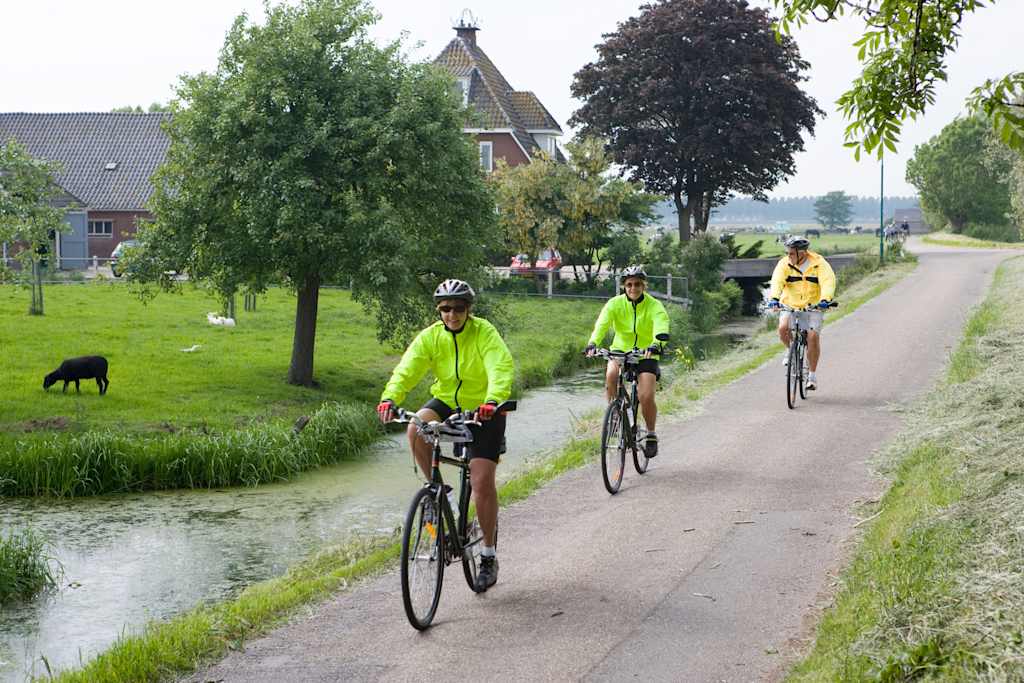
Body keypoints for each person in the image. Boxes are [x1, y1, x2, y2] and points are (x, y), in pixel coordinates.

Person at [376, 279, 514, 592]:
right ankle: (440, 496)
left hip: (484, 408)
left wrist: (492, 400)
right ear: (439, 310)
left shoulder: (484, 333)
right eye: (445, 309)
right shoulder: (431, 337)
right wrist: (390, 398)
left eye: (459, 308)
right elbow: (407, 369)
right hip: (447, 401)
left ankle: (489, 556)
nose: (452, 314)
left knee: (480, 482)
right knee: (415, 428)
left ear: (469, 310)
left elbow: (500, 366)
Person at [585, 265, 670, 458]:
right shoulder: (614, 304)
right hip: (620, 350)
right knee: (611, 374)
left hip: (646, 352)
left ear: (644, 286)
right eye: (629, 284)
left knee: (646, 396)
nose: (633, 288)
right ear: (624, 286)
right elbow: (602, 324)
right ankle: (615, 415)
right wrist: (593, 343)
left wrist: (657, 343)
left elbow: (661, 324)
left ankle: (650, 434)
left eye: (638, 284)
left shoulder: (654, 305)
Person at [767, 236, 836, 391]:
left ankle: (811, 376)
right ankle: (790, 350)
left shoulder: (819, 264)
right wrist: (774, 299)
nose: (788, 256)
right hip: (790, 304)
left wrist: (826, 299)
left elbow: (828, 281)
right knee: (783, 328)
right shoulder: (784, 264)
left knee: (812, 337)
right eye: (788, 253)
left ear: (802, 253)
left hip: (813, 306)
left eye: (791, 253)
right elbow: (777, 281)